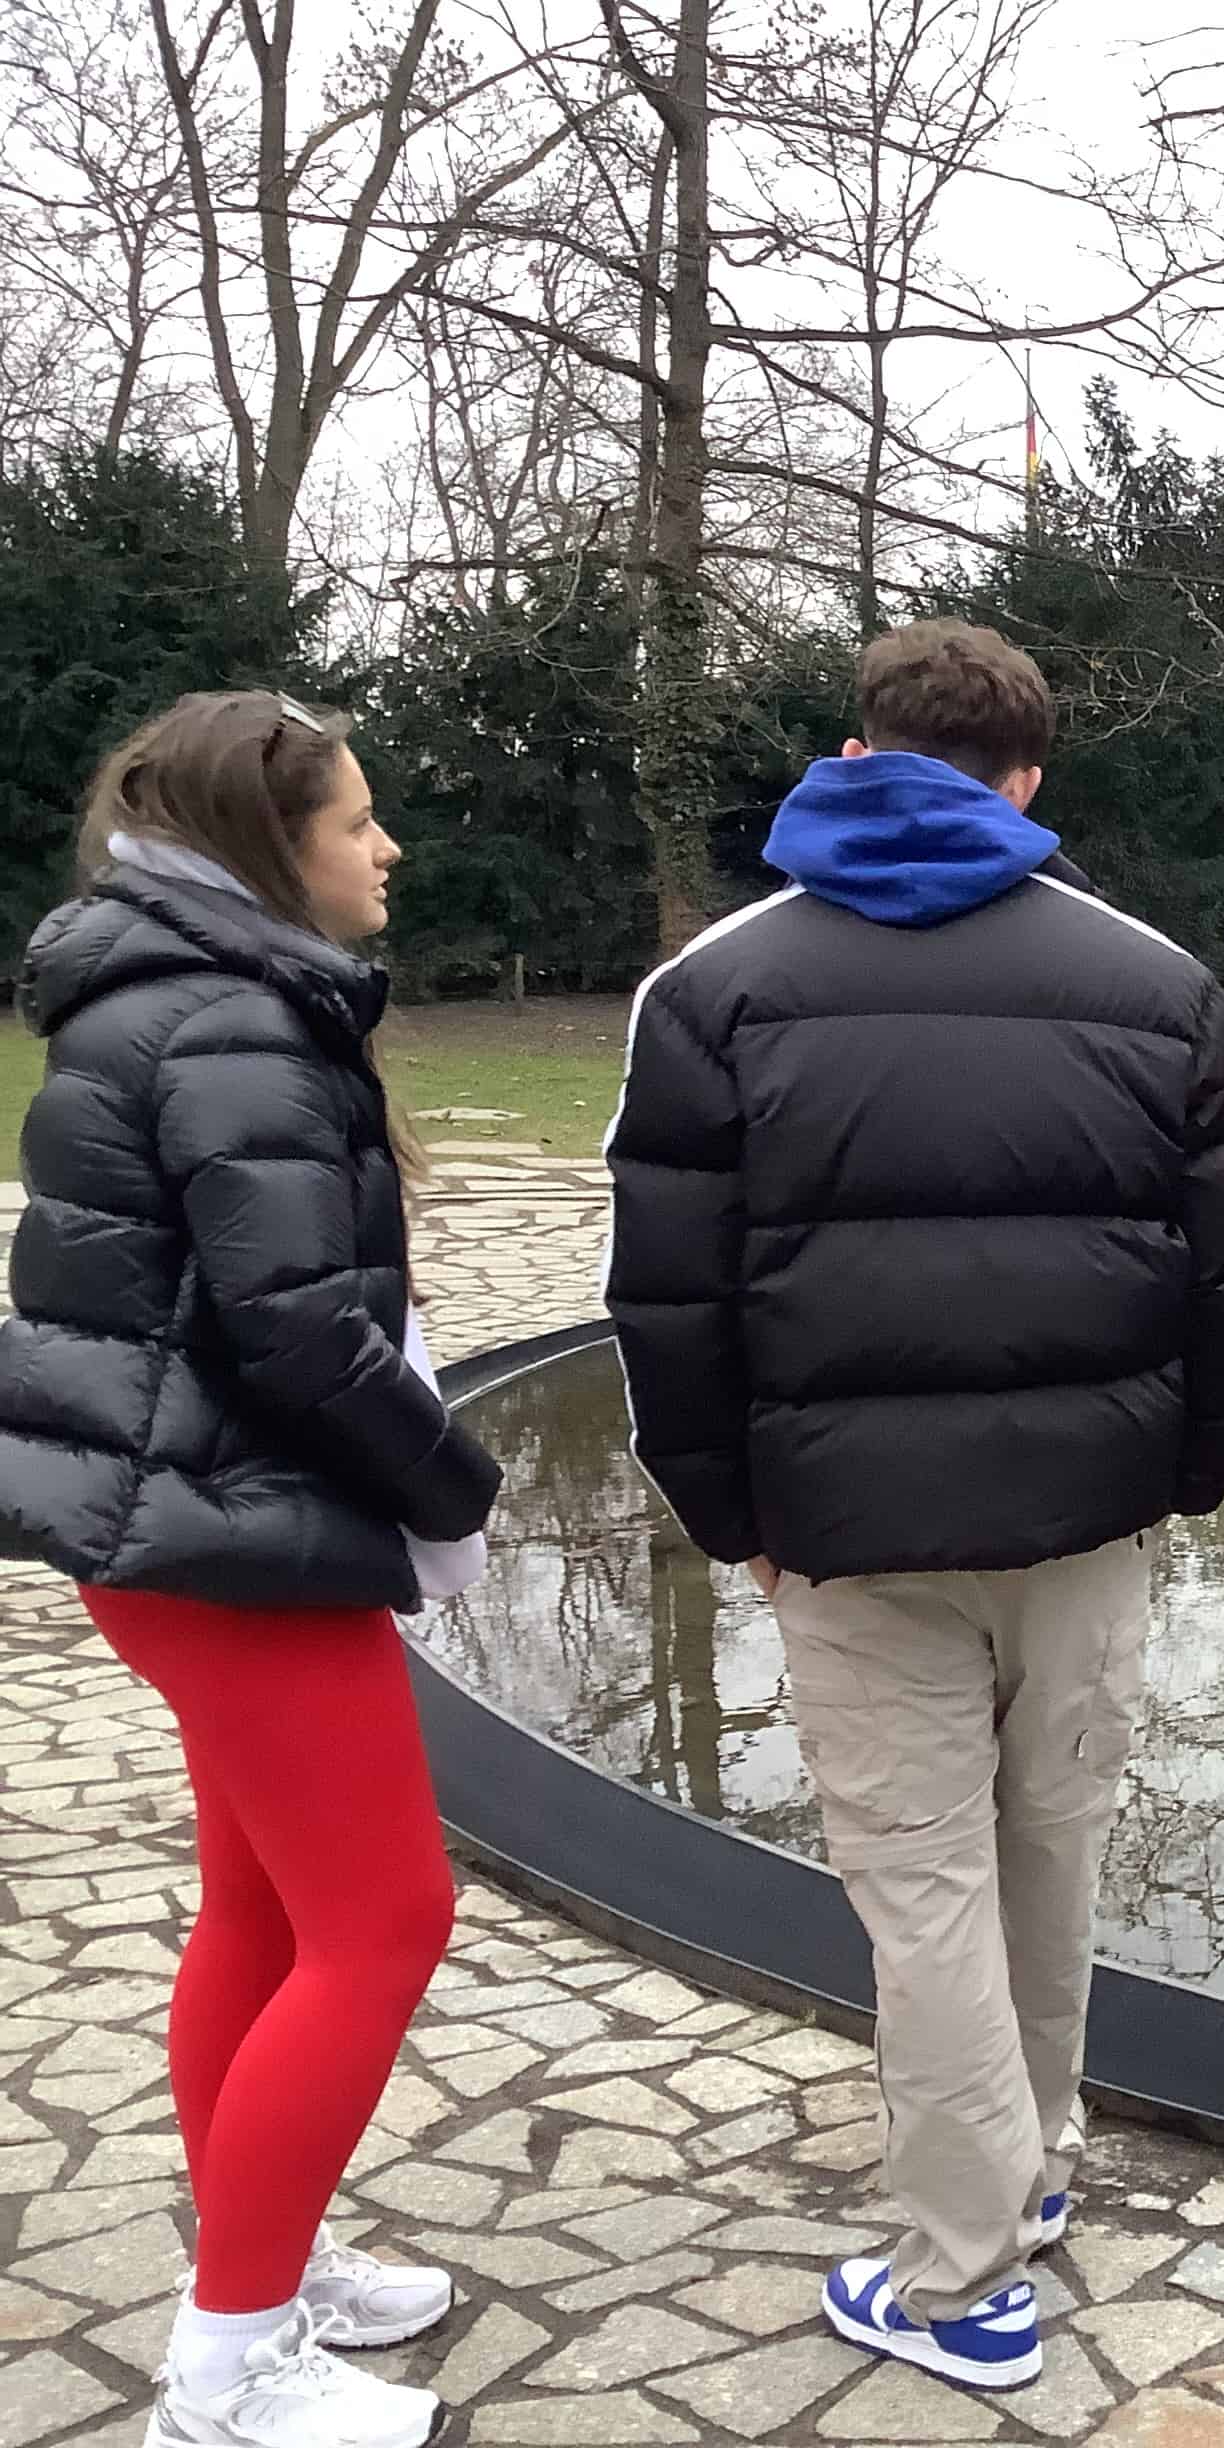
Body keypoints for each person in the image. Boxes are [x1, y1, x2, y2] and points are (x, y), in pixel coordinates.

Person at [603, 620, 1224, 2394]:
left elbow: (667, 1302)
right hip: (1082, 1523)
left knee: (928, 1893)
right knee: (1041, 1855)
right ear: (1027, 778)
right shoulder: (1157, 983)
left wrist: (718, 1502)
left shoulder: (710, 987)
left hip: (849, 1531)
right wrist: (1186, 1472)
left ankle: (968, 2267)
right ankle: (1017, 2172)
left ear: (857, 748)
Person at [0, 691, 499, 2448]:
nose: (385, 847)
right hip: (232, 1538)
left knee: (272, 1907)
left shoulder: (167, 996)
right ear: (268, 844)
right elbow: (302, 1336)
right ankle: (227, 2371)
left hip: (172, 1527)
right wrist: (461, 1486)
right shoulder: (234, 1021)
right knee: (383, 1918)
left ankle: (257, 2254)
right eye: (356, 819)